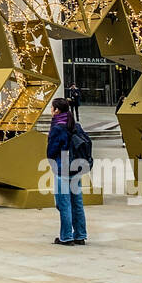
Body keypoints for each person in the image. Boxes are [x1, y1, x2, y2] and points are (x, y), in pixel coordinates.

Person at [47, 95, 87, 245]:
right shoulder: (75, 125)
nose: (51, 110)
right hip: (76, 166)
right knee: (77, 202)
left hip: (62, 166)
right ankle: (80, 235)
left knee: (63, 203)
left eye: (52, 108)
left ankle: (66, 236)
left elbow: (51, 150)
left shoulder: (57, 128)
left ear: (57, 110)